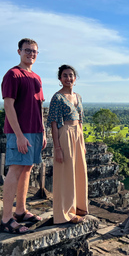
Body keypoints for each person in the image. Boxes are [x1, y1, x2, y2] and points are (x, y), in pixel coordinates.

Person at [0, 38, 46, 234]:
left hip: (34, 130)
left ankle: (20, 211)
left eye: (34, 51)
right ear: (19, 51)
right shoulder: (13, 75)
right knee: (15, 169)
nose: (31, 54)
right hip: (19, 130)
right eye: (27, 50)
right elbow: (8, 105)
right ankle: (6, 219)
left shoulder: (37, 78)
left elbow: (40, 106)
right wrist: (18, 135)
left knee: (27, 169)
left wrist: (42, 132)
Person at [47, 64, 88, 224]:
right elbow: (54, 124)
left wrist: (82, 142)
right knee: (66, 173)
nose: (68, 78)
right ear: (60, 79)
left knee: (79, 170)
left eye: (71, 75)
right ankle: (66, 213)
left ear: (75, 78)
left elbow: (81, 122)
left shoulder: (78, 97)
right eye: (65, 75)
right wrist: (57, 148)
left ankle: (79, 206)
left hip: (77, 134)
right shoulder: (57, 98)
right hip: (65, 134)